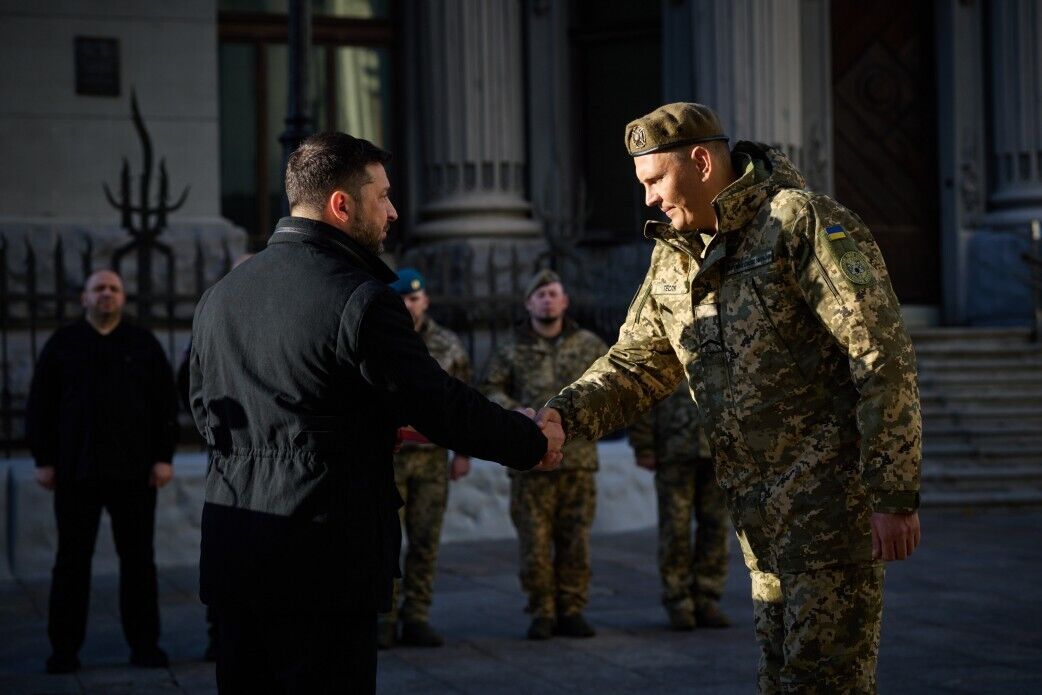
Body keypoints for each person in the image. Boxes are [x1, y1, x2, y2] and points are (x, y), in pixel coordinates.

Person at [538, 102, 922, 693]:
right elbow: (637, 363)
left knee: (825, 682)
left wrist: (892, 492)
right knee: (778, 677)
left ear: (700, 161)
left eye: (654, 181)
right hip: (759, 522)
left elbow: (879, 353)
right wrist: (560, 416)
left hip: (828, 512)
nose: (648, 201)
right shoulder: (673, 255)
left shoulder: (799, 223)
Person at [189, 131, 563, 694]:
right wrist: (530, 442)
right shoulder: (359, 298)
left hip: (238, 544)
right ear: (342, 205)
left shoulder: (221, 295)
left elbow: (207, 410)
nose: (393, 211)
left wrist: (362, 429)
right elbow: (438, 403)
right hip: (324, 554)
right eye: (383, 195)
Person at [25, 269, 178, 674]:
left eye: (113, 289)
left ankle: (146, 646)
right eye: (99, 289)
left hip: (134, 475)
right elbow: (40, 403)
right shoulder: (63, 345)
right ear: (84, 298)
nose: (106, 295)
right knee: (71, 564)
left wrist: (164, 458)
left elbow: (165, 406)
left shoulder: (143, 344)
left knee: (139, 564)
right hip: (76, 475)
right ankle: (64, 651)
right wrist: (43, 459)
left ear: (123, 298)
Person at [482, 270, 607, 641]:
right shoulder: (509, 349)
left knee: (575, 540)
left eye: (553, 294)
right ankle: (541, 610)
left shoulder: (588, 345)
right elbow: (489, 388)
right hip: (529, 463)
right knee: (534, 543)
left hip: (578, 460)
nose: (547, 300)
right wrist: (516, 411)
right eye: (540, 295)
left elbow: (605, 388)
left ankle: (571, 609)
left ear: (565, 301)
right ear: (529, 304)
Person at [378, 267, 472, 649]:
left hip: (432, 460)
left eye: (414, 299)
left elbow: (465, 400)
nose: (408, 306)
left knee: (425, 540)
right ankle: (383, 620)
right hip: (389, 459)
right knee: (385, 542)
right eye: (400, 299)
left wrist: (463, 452)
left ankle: (417, 617)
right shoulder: (379, 339)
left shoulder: (449, 345)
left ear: (425, 301)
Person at [627, 381, 731, 631]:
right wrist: (644, 445)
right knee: (675, 529)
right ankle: (678, 601)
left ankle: (707, 597)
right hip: (673, 451)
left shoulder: (724, 344)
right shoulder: (667, 345)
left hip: (718, 451)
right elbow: (642, 394)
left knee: (716, 527)